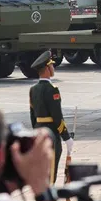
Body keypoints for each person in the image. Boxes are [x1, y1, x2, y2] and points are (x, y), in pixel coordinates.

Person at [29, 51, 72, 184]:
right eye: (52, 65)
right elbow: (57, 116)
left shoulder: (33, 89)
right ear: (47, 69)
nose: (53, 68)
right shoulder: (52, 89)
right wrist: (67, 137)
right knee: (51, 171)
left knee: (41, 170)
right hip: (51, 134)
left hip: (38, 133)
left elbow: (32, 116)